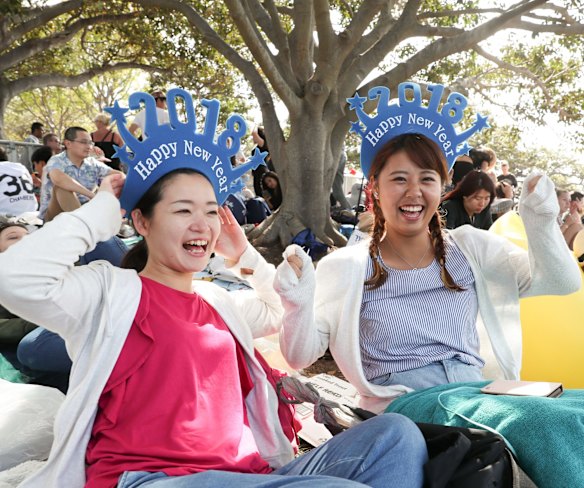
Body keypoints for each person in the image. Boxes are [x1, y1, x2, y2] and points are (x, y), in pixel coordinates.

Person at [0, 89, 427, 488]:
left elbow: (277, 313)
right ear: (143, 222)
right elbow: (15, 278)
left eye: (209, 211)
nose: (201, 224)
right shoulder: (108, 294)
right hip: (152, 478)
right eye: (183, 210)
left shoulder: (217, 300)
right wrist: (102, 212)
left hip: (250, 474)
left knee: (396, 434)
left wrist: (243, 255)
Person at [274, 82, 580, 413]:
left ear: (443, 186)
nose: (414, 192)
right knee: (545, 423)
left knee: (576, 409)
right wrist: (297, 298)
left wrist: (540, 217)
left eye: (427, 179)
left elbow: (562, 281)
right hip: (407, 407)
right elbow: (300, 355)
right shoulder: (348, 266)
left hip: (480, 394)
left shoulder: (471, 249)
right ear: (375, 188)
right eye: (400, 179)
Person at [39, 126, 122, 222]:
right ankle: (86, 224)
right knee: (61, 188)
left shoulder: (92, 163)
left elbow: (119, 175)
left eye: (90, 143)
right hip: (55, 217)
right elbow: (58, 178)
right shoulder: (56, 161)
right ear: (68, 143)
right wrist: (92, 196)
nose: (88, 147)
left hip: (87, 212)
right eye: (83, 142)